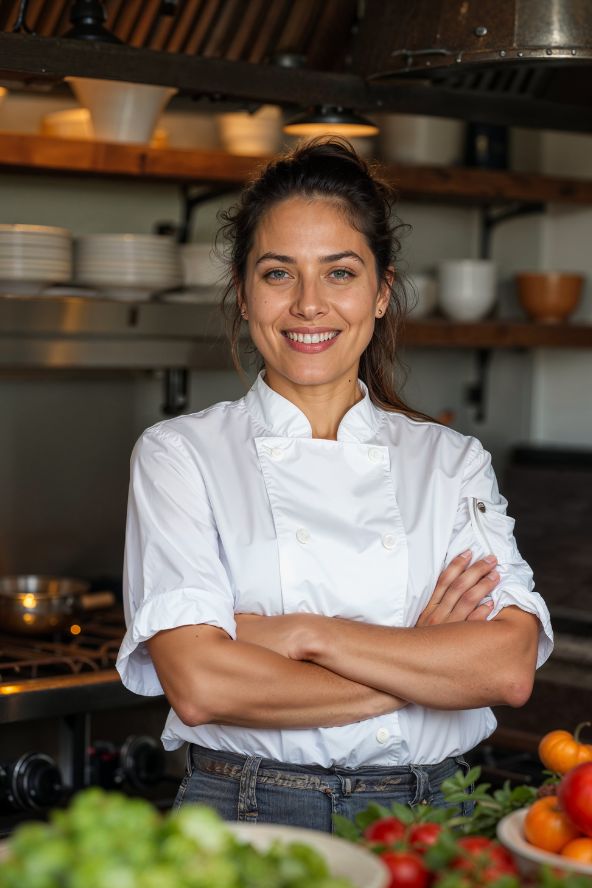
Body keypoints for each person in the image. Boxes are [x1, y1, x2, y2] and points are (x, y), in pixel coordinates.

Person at [116, 138, 552, 831]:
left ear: (381, 293)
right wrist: (415, 658)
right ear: (243, 291)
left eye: (340, 273)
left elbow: (504, 668)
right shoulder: (181, 455)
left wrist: (304, 634)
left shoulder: (450, 460)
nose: (309, 305)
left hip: (436, 815)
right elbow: (201, 685)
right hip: (253, 812)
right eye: (279, 273)